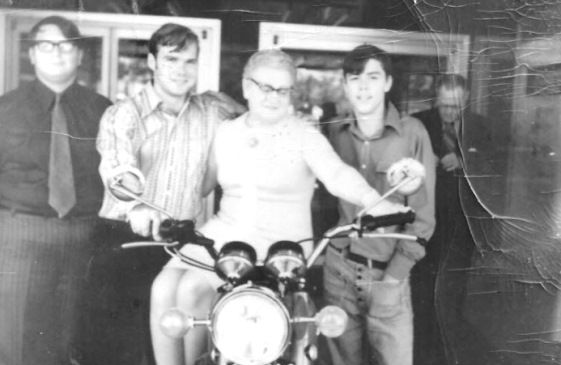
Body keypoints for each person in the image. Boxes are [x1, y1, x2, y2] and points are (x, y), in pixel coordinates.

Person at [147, 49, 406, 365]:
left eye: (283, 90)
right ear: (246, 87)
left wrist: (372, 201)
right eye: (264, 87)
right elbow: (199, 187)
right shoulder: (227, 131)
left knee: (190, 290)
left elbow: (337, 174)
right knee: (162, 287)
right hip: (224, 235)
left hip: (279, 246)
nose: (273, 97)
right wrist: (158, 206)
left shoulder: (304, 135)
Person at [95, 22, 243, 365]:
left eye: (190, 61)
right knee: (126, 353)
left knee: (181, 350)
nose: (181, 70)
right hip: (127, 242)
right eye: (172, 59)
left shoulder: (213, 110)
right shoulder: (124, 114)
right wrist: (137, 206)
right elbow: (118, 168)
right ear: (152, 61)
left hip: (183, 245)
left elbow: (260, 118)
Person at [0, 15, 112, 365]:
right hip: (21, 235)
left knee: (67, 342)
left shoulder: (103, 111)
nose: (57, 53)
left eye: (66, 45)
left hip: (82, 238)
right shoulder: (5, 109)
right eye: (46, 45)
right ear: (32, 55)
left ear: (79, 55)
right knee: (16, 343)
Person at [322, 44, 436, 365]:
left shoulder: (412, 134)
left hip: (387, 275)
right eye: (355, 78)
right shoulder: (336, 133)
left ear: (388, 82)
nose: (363, 86)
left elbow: (423, 220)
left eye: (373, 77)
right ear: (344, 85)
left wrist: (393, 278)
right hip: (339, 273)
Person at [411, 74, 492, 364]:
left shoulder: (481, 127)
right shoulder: (418, 123)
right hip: (425, 220)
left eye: (455, 107)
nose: (449, 112)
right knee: (421, 286)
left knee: (454, 289)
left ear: (467, 100)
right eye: (444, 105)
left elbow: (493, 169)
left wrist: (464, 161)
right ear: (436, 98)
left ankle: (449, 345)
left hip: (461, 226)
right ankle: (422, 347)